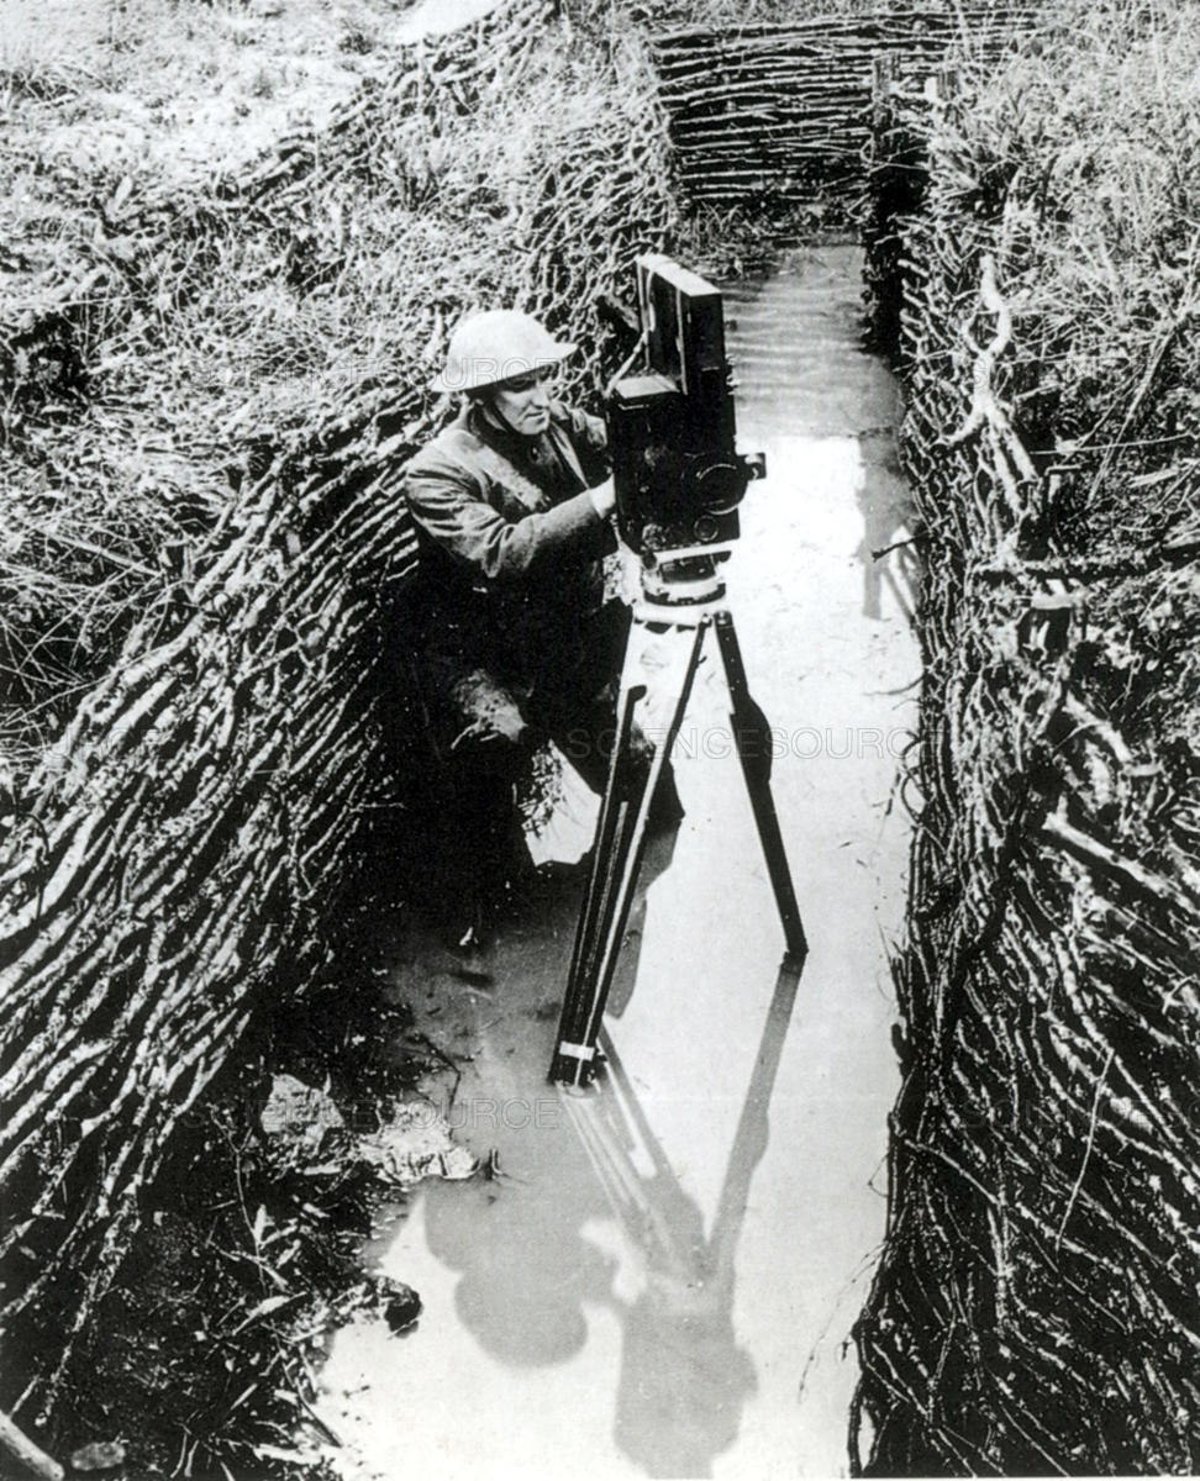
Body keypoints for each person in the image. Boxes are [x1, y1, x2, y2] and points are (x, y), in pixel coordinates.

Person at [401, 308, 678, 944]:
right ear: (480, 395)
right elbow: (500, 553)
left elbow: (628, 443)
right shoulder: (438, 471)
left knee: (654, 807)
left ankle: (609, 918)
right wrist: (607, 497)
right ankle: (485, 932)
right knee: (490, 882)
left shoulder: (557, 424)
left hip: (563, 650)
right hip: (479, 661)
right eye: (521, 386)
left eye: (545, 379)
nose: (541, 398)